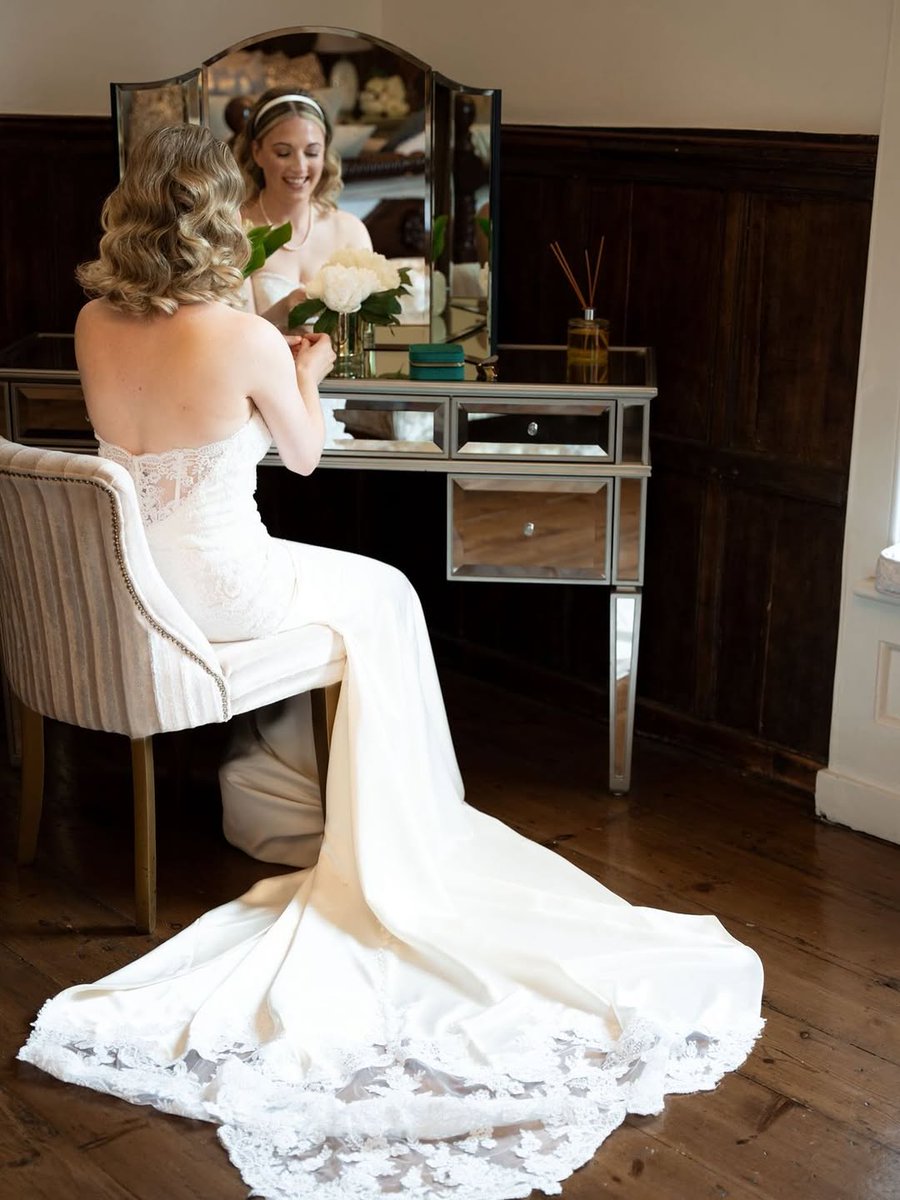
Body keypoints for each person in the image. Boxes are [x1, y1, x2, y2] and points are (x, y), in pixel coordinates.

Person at [18, 124, 764, 1200]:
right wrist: (305, 370)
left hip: (141, 583)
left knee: (366, 591)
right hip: (230, 589)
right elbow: (307, 456)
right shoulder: (242, 335)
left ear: (131, 213)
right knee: (389, 590)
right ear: (221, 215)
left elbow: (155, 445)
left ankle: (308, 801)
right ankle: (395, 836)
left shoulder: (93, 320)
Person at [234, 87, 372, 330]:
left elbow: (364, 332)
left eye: (311, 152)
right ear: (257, 152)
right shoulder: (236, 231)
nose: (299, 166)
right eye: (283, 152)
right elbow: (236, 338)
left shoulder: (351, 232)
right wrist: (285, 309)